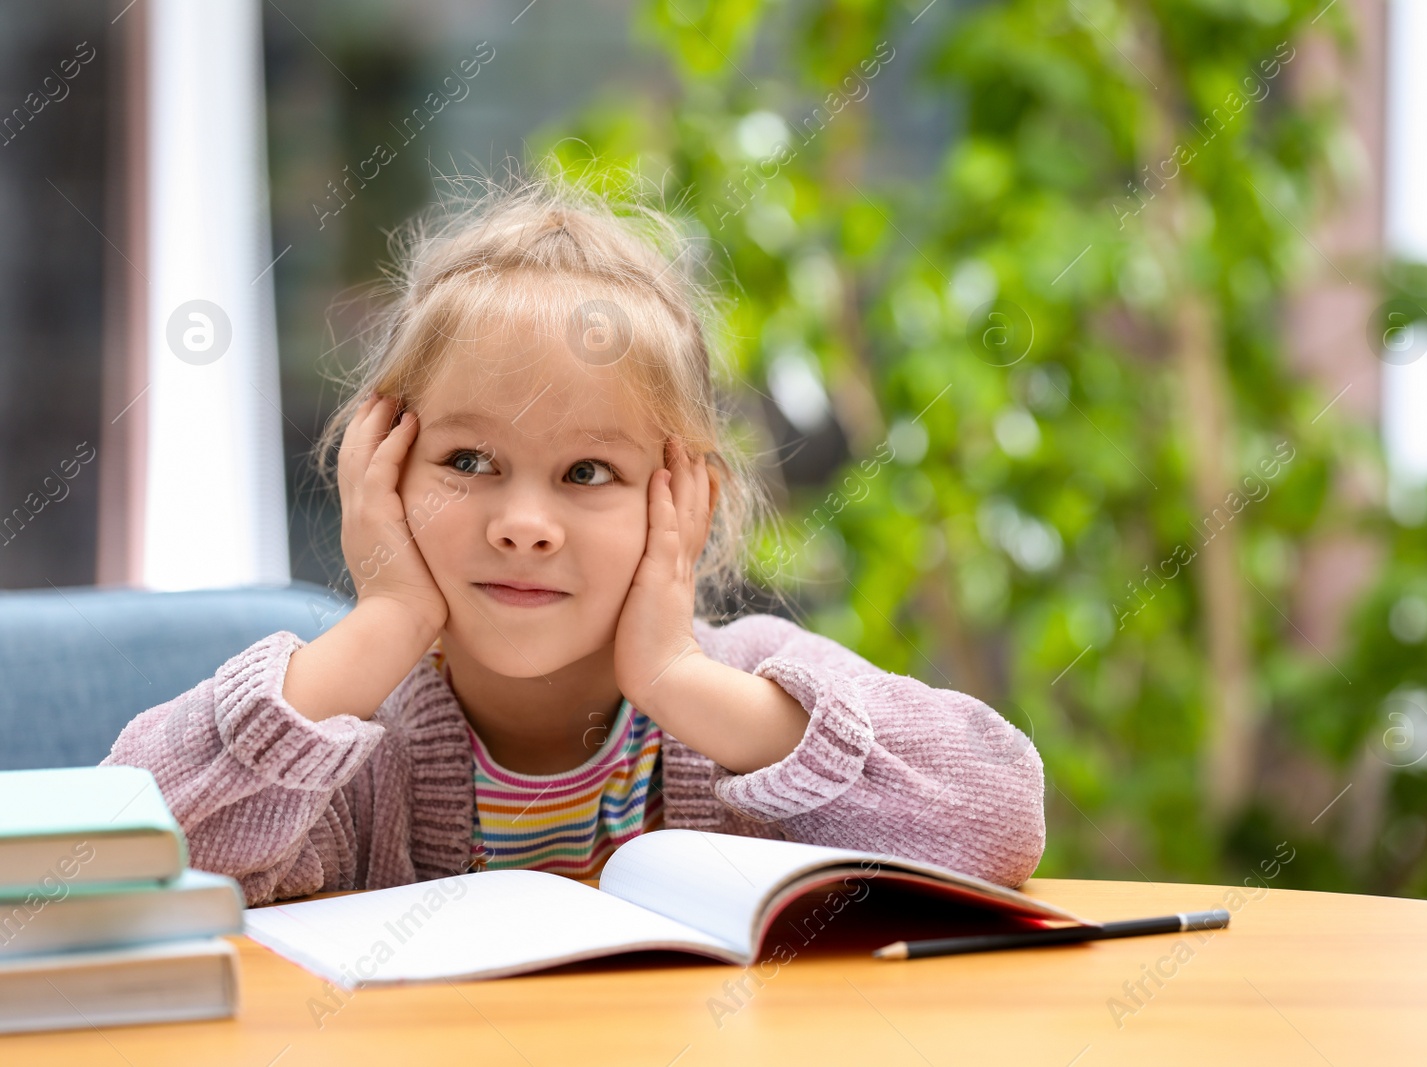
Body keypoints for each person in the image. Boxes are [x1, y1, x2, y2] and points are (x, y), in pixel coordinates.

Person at [104, 169, 1046, 906]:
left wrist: (678, 678)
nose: (522, 526)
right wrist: (385, 620)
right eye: (468, 460)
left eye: (588, 473)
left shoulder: (746, 689)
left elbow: (998, 815)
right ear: (382, 471)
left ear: (683, 502)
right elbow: (106, 858)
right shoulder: (352, 736)